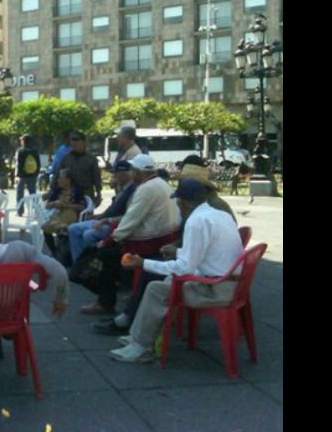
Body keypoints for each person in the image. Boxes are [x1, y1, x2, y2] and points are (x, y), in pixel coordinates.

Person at [109, 179, 244, 363]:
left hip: (214, 289)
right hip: (229, 282)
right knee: (166, 281)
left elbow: (184, 268)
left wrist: (142, 263)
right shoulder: (219, 214)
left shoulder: (195, 221)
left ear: (182, 202)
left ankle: (141, 346)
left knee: (155, 288)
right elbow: (205, 252)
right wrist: (179, 251)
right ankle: (138, 336)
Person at [80, 154, 180, 316]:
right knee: (108, 250)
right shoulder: (161, 183)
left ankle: (105, 302)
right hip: (164, 238)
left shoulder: (146, 189)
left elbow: (130, 221)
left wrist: (108, 240)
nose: (131, 173)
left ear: (139, 172)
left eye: (133, 170)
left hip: (148, 244)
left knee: (106, 255)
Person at [67, 160, 136, 266]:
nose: (114, 176)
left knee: (88, 235)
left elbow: (128, 217)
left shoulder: (133, 191)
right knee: (72, 228)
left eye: (116, 173)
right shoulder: (121, 188)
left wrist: (105, 220)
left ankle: (91, 265)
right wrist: (99, 216)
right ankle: (79, 264)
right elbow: (112, 209)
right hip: (104, 221)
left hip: (115, 226)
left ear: (124, 174)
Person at [41, 169, 86, 258]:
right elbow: (47, 205)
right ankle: (54, 252)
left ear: (68, 180)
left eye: (61, 178)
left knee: (62, 228)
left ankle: (63, 253)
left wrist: (65, 205)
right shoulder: (57, 190)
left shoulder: (77, 191)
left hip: (71, 216)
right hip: (57, 215)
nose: (58, 180)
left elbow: (81, 207)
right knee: (45, 227)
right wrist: (54, 204)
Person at [52, 131, 103, 208]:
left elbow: (96, 177)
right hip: (70, 195)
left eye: (76, 140)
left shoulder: (91, 158)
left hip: (86, 193)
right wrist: (52, 190)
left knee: (86, 216)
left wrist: (98, 194)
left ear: (84, 142)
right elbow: (57, 175)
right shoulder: (66, 158)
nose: (74, 143)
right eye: (72, 141)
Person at [14, 134, 41, 216]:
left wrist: (17, 175)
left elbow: (18, 164)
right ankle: (36, 210)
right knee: (33, 193)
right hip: (32, 175)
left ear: (23, 141)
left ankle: (20, 211)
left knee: (20, 193)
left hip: (22, 176)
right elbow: (38, 164)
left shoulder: (20, 151)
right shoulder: (35, 151)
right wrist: (36, 173)